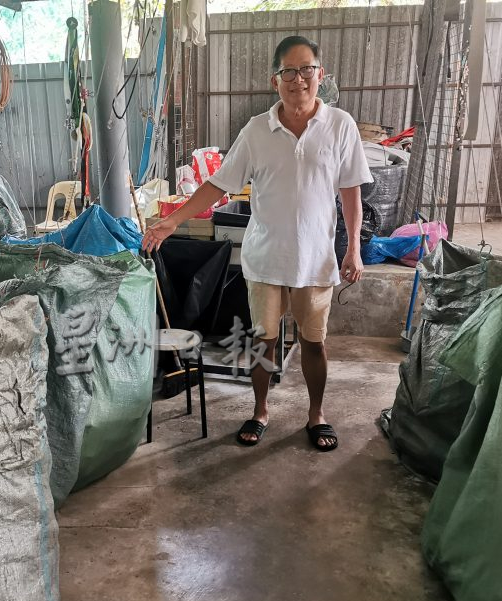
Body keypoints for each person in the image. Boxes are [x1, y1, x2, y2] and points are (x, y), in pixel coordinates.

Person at [143, 35, 372, 452]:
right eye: (289, 71)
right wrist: (172, 221)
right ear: (275, 80)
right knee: (264, 341)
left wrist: (353, 248)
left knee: (314, 342)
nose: (298, 79)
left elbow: (351, 192)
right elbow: (219, 184)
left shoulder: (340, 126)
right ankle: (261, 410)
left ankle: (316, 414)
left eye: (306, 70)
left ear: (320, 74)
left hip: (316, 260)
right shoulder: (256, 130)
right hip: (266, 258)